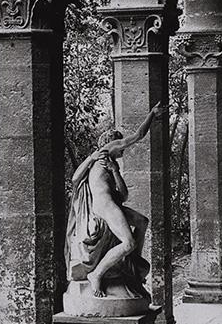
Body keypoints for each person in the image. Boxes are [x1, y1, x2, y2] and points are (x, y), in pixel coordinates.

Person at [67, 103, 166, 298]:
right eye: (121, 145)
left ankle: (131, 260)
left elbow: (124, 195)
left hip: (112, 204)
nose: (123, 149)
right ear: (112, 143)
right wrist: (151, 115)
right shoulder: (104, 152)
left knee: (142, 222)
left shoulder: (110, 165)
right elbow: (138, 135)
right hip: (104, 206)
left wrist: (115, 170)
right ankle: (97, 274)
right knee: (128, 242)